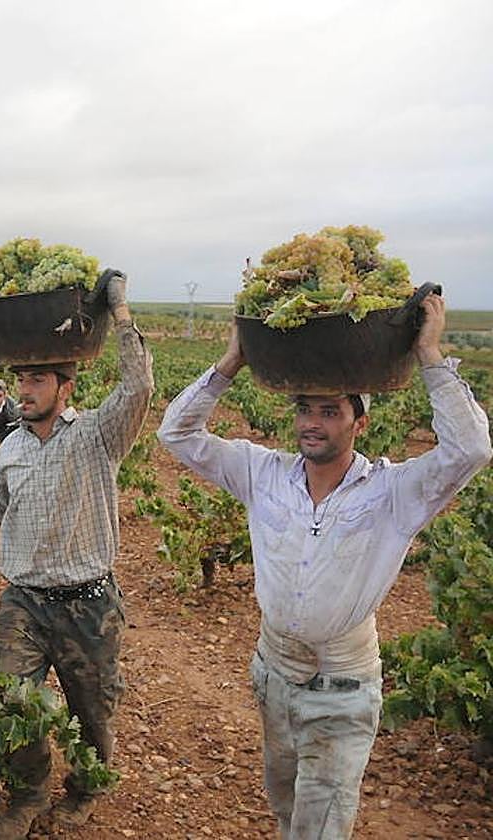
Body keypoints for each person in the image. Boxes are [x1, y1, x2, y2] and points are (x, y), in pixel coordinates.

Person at [156, 291, 490, 839]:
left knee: (320, 828)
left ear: (360, 422)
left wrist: (430, 353)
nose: (313, 423)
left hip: (342, 688)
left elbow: (471, 450)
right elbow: (177, 434)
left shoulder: (393, 491)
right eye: (306, 408)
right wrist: (231, 362)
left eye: (330, 411)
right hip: (273, 676)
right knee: (286, 807)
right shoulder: (262, 473)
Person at [0, 272, 153, 838]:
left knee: (92, 713)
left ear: (65, 387)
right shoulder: (10, 447)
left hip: (87, 607)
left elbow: (140, 387)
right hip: (23, 603)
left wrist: (120, 310)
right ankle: (29, 792)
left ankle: (84, 792)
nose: (24, 389)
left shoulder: (99, 435)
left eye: (36, 379)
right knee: (11, 700)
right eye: (21, 378)